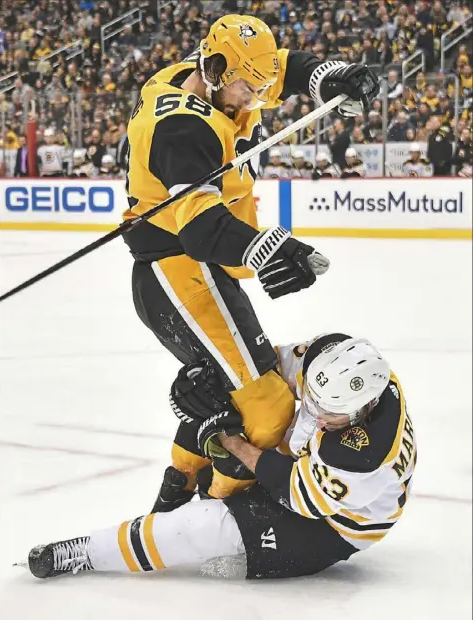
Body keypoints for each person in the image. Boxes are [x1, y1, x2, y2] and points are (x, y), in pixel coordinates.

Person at [120, 14, 379, 509]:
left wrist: (335, 74)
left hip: (200, 269)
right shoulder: (179, 128)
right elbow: (200, 230)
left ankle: (179, 490)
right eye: (246, 88)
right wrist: (272, 248)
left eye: (259, 90)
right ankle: (216, 512)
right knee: (268, 409)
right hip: (177, 270)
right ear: (215, 68)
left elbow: (285, 68)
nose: (254, 101)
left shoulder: (222, 76)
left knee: (224, 396)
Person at [26, 332, 416, 581]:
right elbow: (268, 373)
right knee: (228, 409)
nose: (312, 410)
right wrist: (204, 386)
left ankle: (85, 553)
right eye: (310, 396)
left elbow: (295, 493)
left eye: (327, 412)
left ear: (362, 410)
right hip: (309, 473)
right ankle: (185, 488)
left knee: (202, 526)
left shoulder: (360, 455)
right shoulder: (331, 360)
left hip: (333, 522)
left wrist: (232, 444)